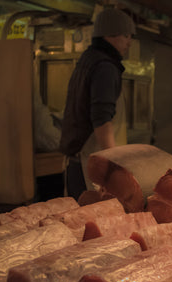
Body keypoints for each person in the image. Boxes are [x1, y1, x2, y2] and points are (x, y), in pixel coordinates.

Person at [59, 8, 136, 199]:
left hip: (78, 163)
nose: (129, 42)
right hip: (93, 167)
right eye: (126, 35)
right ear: (110, 35)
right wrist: (113, 170)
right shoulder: (105, 67)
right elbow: (101, 120)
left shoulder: (89, 59)